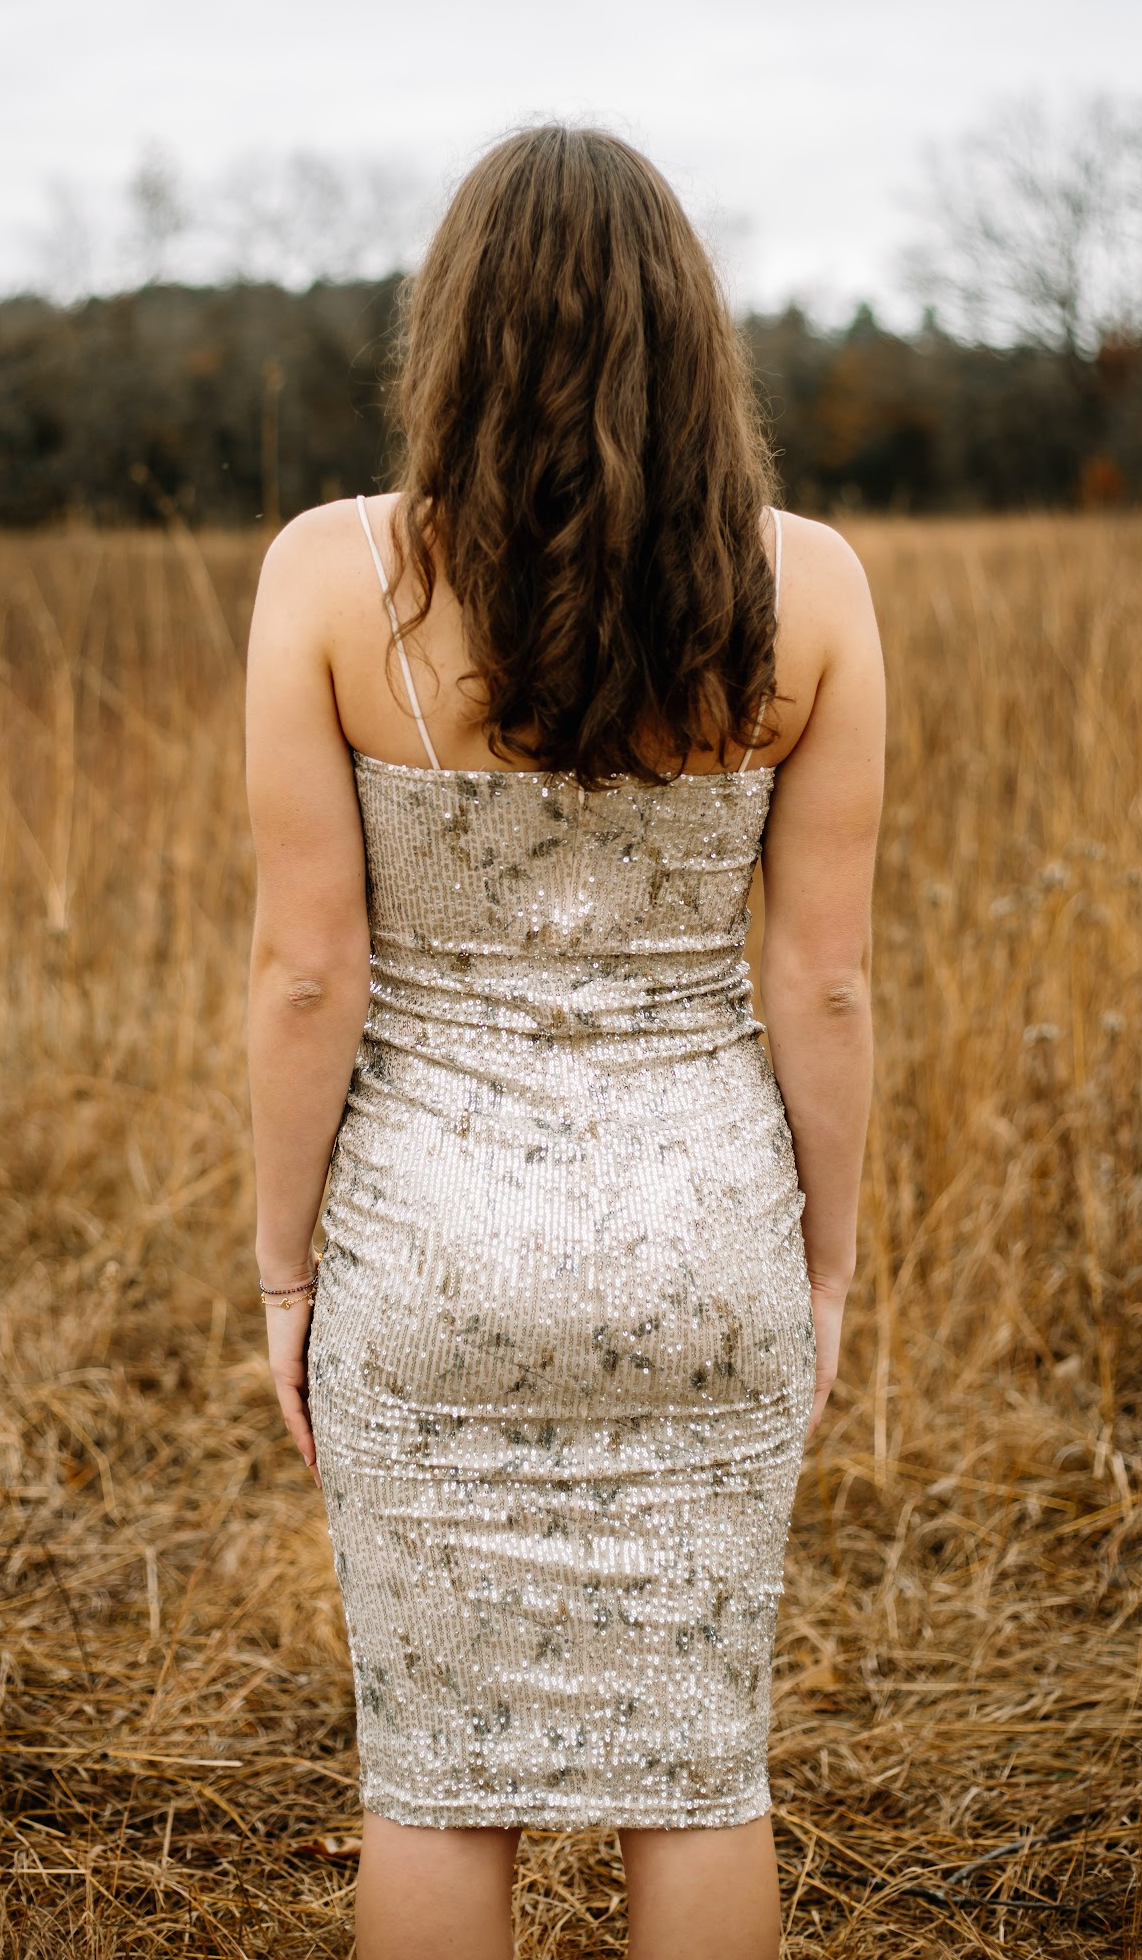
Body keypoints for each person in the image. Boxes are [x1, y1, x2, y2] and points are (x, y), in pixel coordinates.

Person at [245, 124, 883, 1960]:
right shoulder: (813, 591)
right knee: (699, 1770)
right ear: (694, 340)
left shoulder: (327, 575)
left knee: (439, 1778)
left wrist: (286, 1280)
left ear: (448, 332)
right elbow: (822, 982)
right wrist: (821, 1265)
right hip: (705, 1246)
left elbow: (306, 971)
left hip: (422, 1259)